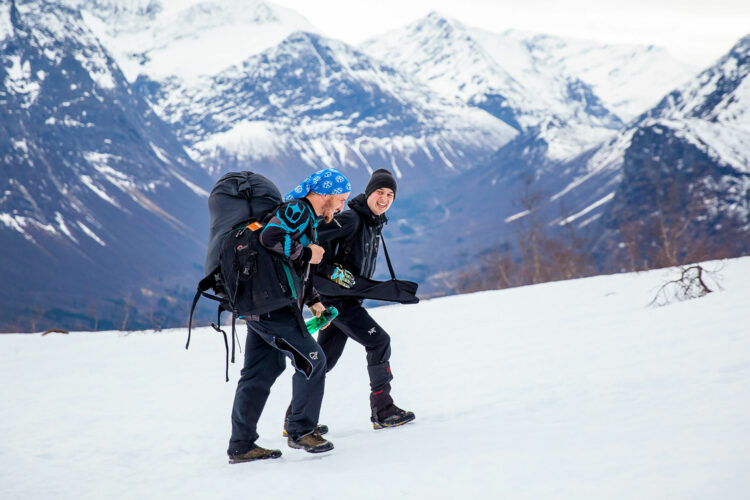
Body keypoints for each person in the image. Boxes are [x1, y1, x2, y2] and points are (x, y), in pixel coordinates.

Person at [227, 168, 351, 464]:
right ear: (325, 194)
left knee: (260, 373)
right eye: (340, 199)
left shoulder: (306, 216)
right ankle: (301, 430)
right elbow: (271, 236)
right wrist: (308, 252)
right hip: (273, 308)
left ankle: (241, 445)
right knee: (313, 360)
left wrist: (314, 301)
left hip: (262, 306)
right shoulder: (298, 209)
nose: (341, 206)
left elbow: (291, 268)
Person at [311, 169, 415, 429]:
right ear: (369, 193)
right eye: (379, 192)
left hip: (343, 299)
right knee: (379, 342)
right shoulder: (351, 219)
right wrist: (328, 270)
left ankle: (297, 419)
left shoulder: (372, 222)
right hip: (339, 301)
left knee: (323, 361)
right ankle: (383, 410)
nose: (384, 198)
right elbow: (311, 236)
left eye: (390, 194)